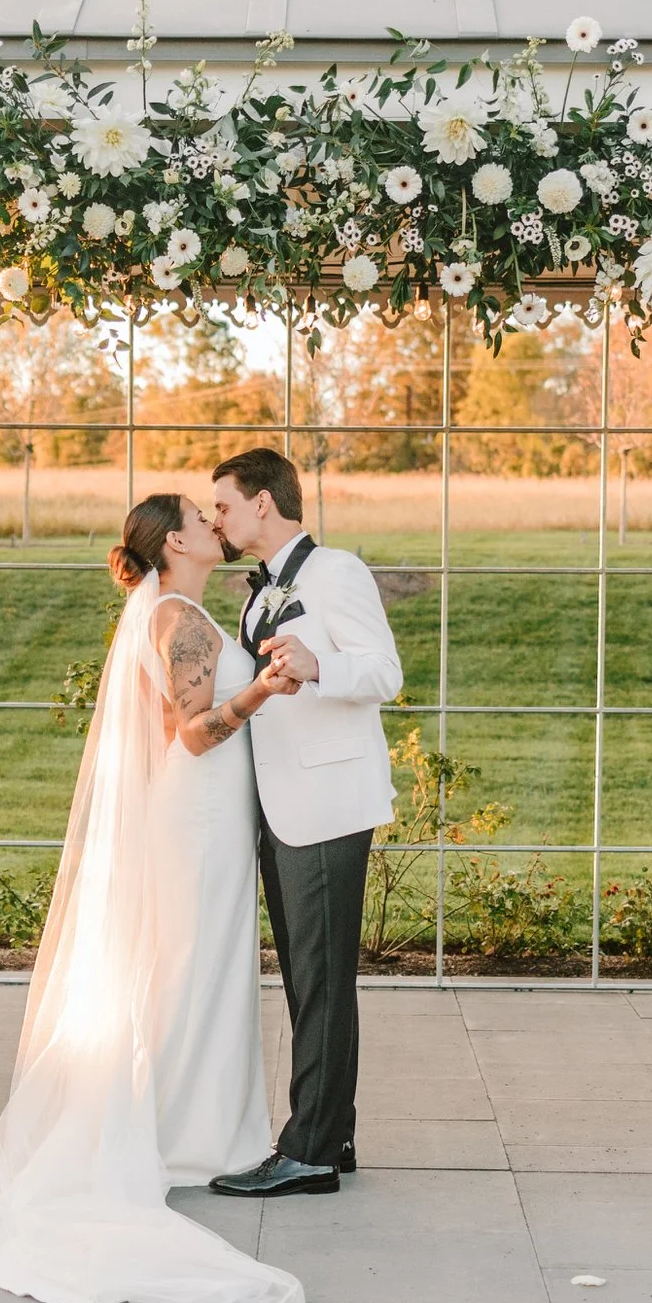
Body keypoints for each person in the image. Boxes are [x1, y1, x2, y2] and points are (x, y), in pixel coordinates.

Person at [0, 494, 308, 1303]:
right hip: (197, 811)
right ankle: (182, 1138)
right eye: (200, 513)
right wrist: (262, 688)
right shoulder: (177, 616)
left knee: (197, 964)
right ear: (177, 541)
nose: (215, 519)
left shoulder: (173, 610)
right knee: (192, 967)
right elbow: (191, 733)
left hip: (203, 812)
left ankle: (194, 1130)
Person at [205, 447, 404, 1198]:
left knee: (320, 983)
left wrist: (320, 666)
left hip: (325, 805)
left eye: (222, 504)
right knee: (307, 981)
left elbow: (384, 672)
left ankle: (309, 1149)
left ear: (263, 502)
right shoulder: (261, 593)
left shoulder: (336, 572)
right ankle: (334, 1134)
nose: (216, 518)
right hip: (281, 807)